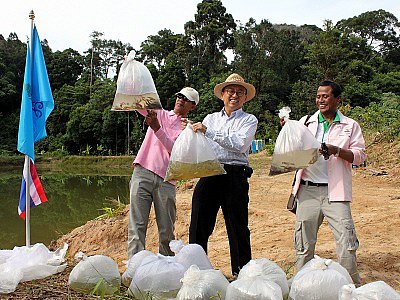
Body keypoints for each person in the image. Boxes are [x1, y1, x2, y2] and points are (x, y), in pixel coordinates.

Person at [290, 80, 366, 285]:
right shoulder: (305, 122)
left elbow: (360, 157)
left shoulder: (350, 125)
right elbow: (293, 151)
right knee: (304, 243)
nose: (320, 100)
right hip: (308, 190)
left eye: (325, 96)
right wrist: (288, 131)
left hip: (336, 192)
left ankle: (351, 286)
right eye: (318, 96)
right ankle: (301, 286)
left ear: (337, 99)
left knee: (346, 241)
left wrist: (337, 151)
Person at [188, 73, 258, 276]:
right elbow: (202, 145)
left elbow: (239, 144)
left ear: (245, 97)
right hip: (210, 173)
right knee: (199, 224)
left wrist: (208, 131)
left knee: (237, 227)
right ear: (222, 95)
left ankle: (241, 274)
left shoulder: (249, 120)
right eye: (230, 91)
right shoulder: (210, 118)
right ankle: (196, 271)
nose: (234, 95)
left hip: (235, 175)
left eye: (239, 92)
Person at [127, 87, 199, 258]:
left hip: (167, 180)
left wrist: (157, 128)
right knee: (137, 225)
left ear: (193, 106)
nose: (180, 99)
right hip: (143, 171)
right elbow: (138, 103)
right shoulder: (160, 113)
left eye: (186, 98)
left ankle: (167, 268)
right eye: (179, 96)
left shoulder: (188, 130)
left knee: (166, 230)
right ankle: (134, 267)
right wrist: (132, 78)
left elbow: (175, 152)